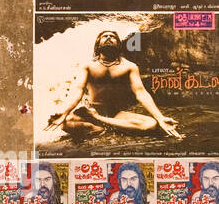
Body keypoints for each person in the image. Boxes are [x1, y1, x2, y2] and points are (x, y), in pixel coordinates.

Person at [47, 30, 182, 142]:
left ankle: (100, 123)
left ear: (119, 44)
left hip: (116, 113)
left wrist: (160, 117)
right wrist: (64, 112)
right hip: (93, 110)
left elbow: (140, 92)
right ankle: (106, 127)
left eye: (113, 37)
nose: (109, 38)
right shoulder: (87, 66)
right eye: (105, 36)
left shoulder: (129, 66)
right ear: (97, 44)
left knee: (151, 124)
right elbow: (78, 90)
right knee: (64, 122)